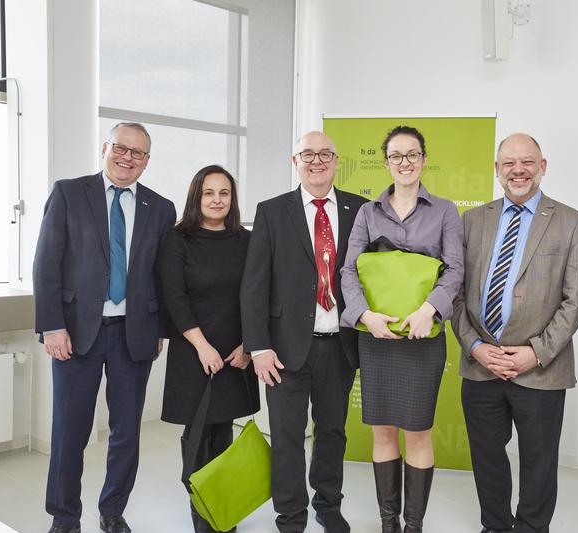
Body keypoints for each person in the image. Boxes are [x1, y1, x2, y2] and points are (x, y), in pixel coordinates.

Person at [33, 122, 176, 533]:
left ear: (147, 162)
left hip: (135, 336)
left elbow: (164, 276)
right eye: (121, 148)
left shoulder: (160, 207)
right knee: (69, 433)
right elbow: (46, 263)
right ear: (105, 147)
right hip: (76, 333)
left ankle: (112, 510)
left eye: (138, 153)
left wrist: (160, 330)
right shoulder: (69, 193)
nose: (127, 158)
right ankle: (64, 516)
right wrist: (52, 326)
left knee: (126, 433)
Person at [452, 133, 578, 533]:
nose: (518, 170)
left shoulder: (571, 222)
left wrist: (536, 352)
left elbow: (576, 300)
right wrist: (476, 346)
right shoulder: (473, 220)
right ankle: (495, 526)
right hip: (482, 366)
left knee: (539, 462)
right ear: (497, 170)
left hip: (541, 369)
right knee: (487, 458)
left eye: (527, 162)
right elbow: (456, 295)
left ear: (542, 166)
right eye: (509, 163)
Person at [240, 131, 368, 533]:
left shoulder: (359, 210)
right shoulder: (272, 211)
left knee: (332, 432)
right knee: (287, 437)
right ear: (294, 161)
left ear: (336, 160)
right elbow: (254, 285)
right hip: (283, 350)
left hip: (340, 347)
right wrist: (258, 346)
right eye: (307, 154)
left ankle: (328, 507)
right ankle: (290, 516)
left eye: (325, 154)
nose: (316, 161)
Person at [340, 125, 464, 533]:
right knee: (382, 431)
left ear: (424, 159)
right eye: (396, 155)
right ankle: (388, 523)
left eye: (412, 154)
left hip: (422, 337)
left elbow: (455, 271)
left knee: (418, 433)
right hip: (376, 337)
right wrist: (363, 316)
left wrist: (430, 309)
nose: (405, 162)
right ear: (387, 162)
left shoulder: (445, 210)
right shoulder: (366, 212)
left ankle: (414, 526)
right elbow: (349, 271)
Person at [159, 165, 259, 532]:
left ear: (232, 199)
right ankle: (203, 514)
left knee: (224, 432)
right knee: (198, 433)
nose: (216, 200)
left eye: (224, 193)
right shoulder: (178, 239)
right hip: (194, 349)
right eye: (209, 193)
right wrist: (202, 347)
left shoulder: (246, 241)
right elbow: (175, 296)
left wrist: (249, 344)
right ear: (196, 197)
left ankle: (222, 510)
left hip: (236, 351)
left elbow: (257, 294)